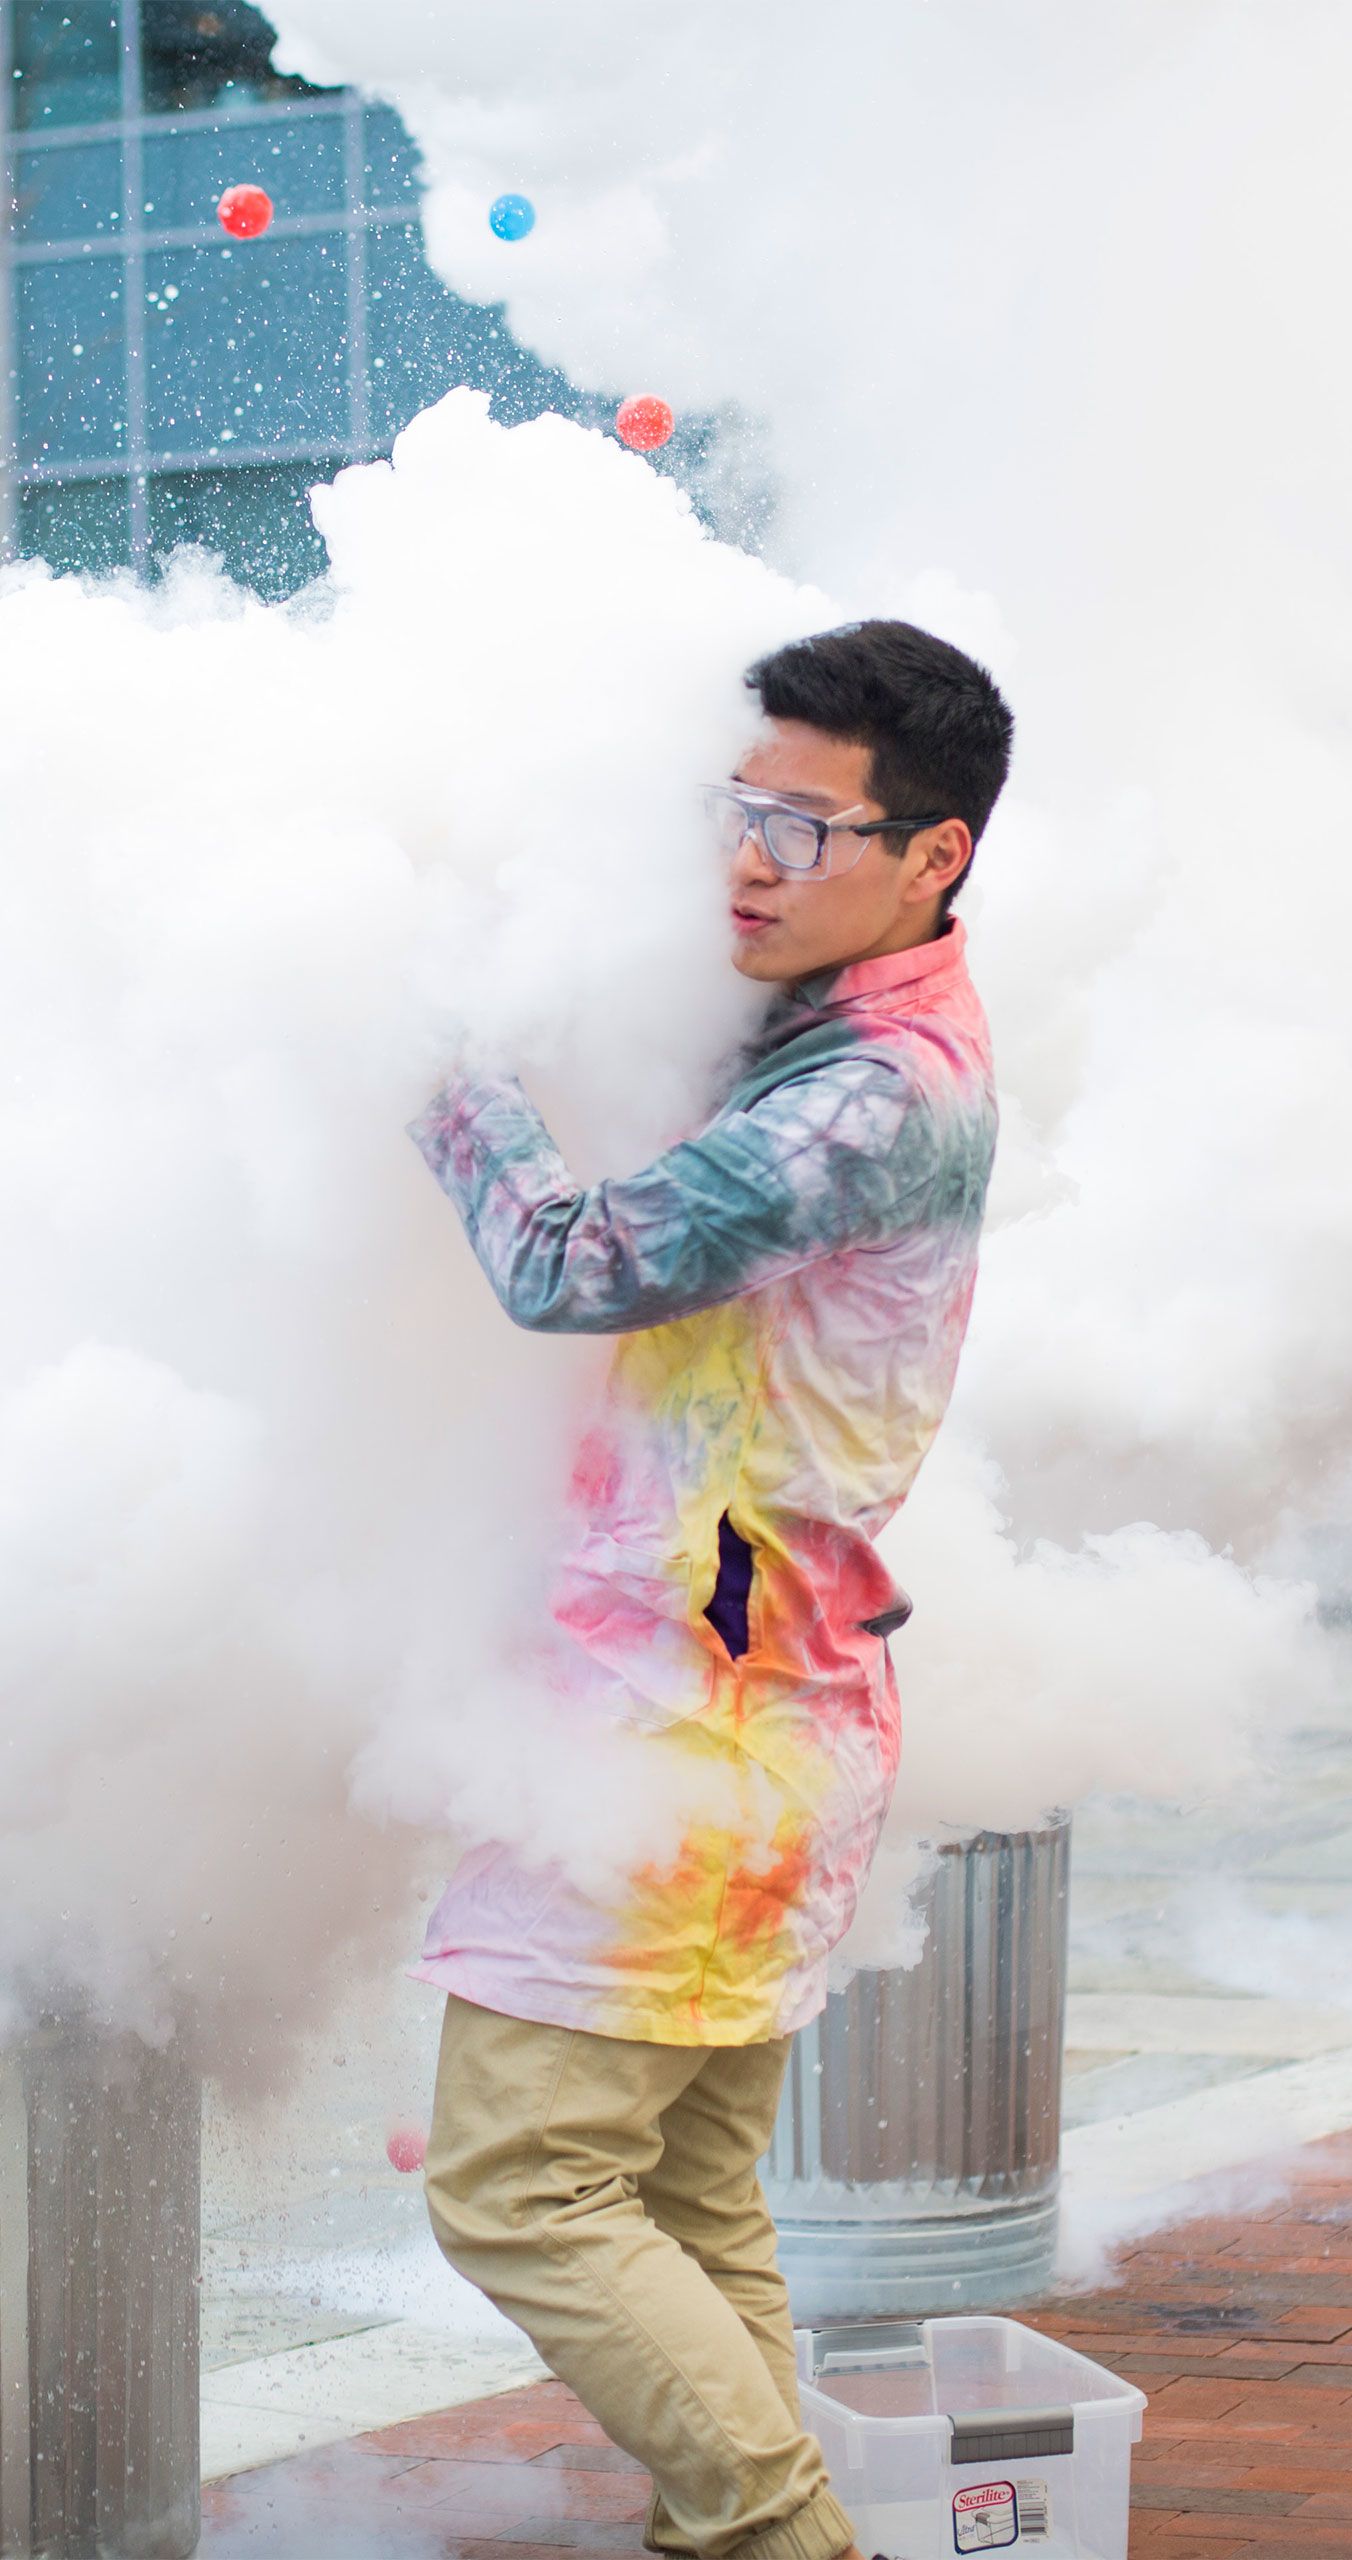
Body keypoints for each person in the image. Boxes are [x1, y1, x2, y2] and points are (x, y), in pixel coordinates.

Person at [412, 619, 1012, 2560]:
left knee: (520, 2185)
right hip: (751, 1698)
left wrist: (418, 1044)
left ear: (936, 854)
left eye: (805, 825)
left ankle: (785, 2541)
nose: (750, 857)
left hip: (691, 1715)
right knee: (682, 2201)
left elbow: (572, 1262)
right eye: (734, 809)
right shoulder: (832, 1031)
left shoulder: (869, 1093)